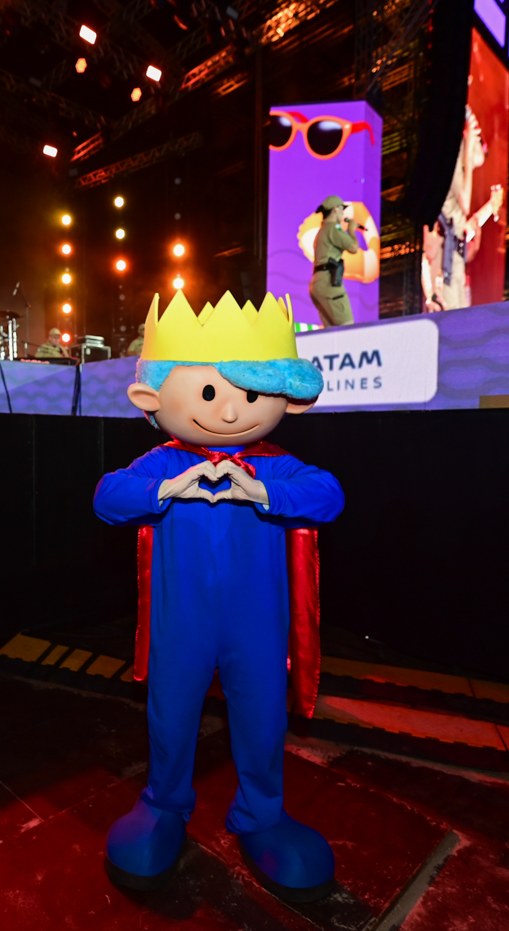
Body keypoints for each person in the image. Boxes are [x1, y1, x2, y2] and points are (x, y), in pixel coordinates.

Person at [95, 290, 342, 900]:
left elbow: (328, 495)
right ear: (153, 397)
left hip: (257, 629)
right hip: (182, 624)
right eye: (210, 392)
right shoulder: (164, 461)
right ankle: (164, 802)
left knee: (262, 718)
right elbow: (107, 496)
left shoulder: (274, 465)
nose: (231, 411)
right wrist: (167, 489)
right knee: (171, 714)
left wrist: (262, 492)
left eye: (251, 394)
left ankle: (261, 814)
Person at [421, 105, 504, 312]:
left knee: (462, 319)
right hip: (444, 273)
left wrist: (490, 207)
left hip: (454, 268)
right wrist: (467, 151)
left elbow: (463, 229)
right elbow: (464, 207)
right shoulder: (451, 170)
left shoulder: (460, 167)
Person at [307, 195, 360, 328]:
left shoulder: (322, 231)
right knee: (347, 326)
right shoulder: (333, 228)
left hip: (318, 283)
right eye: (342, 209)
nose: (343, 213)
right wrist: (351, 230)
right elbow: (353, 248)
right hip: (328, 283)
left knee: (331, 331)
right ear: (335, 209)